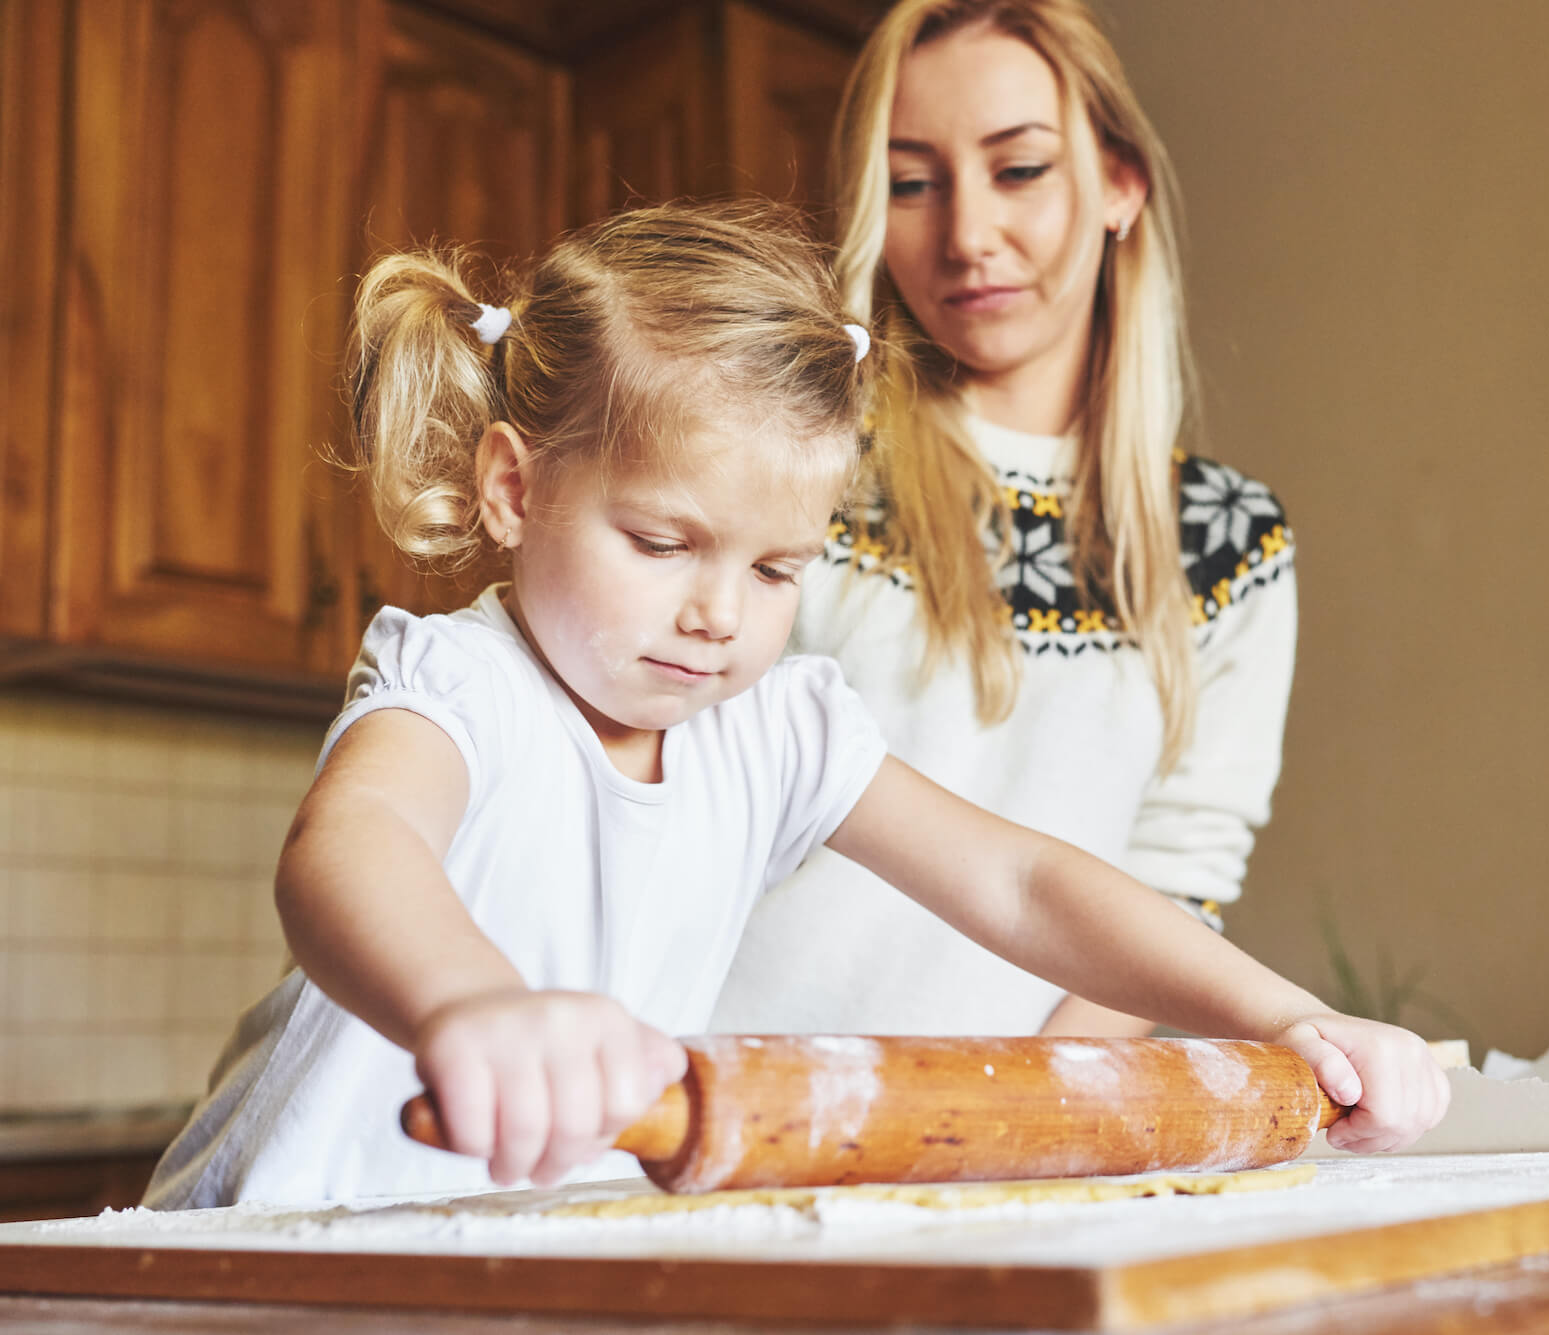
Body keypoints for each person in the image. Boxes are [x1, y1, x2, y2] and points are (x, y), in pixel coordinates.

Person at [141, 200, 1445, 1211]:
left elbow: (1026, 884)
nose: (720, 612)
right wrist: (472, 1003)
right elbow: (347, 848)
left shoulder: (775, 726)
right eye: (663, 541)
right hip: (264, 1245)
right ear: (512, 487)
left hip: (496, 1265)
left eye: (776, 569)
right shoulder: (458, 679)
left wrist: (1286, 1016)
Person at [712, 0, 1298, 1040]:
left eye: (1017, 169)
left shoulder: (1226, 546)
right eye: (909, 184)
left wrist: (1018, 1133)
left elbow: (1176, 883)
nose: (967, 235)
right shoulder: (802, 460)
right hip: (705, 1090)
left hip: (989, 1144)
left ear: (1120, 184)